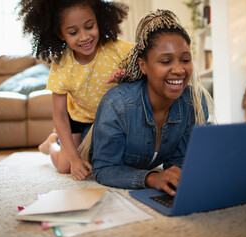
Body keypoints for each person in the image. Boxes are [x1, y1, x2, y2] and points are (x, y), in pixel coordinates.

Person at [90, 9, 215, 196]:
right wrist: (152, 178)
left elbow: (180, 162)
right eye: (166, 61)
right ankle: (51, 142)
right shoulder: (117, 105)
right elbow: (104, 169)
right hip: (87, 137)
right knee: (63, 161)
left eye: (185, 59)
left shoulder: (195, 103)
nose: (179, 69)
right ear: (143, 65)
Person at [18, 0, 133, 180]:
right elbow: (60, 115)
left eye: (89, 26)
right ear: (60, 34)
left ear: (99, 20)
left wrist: (128, 77)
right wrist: (74, 159)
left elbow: (146, 68)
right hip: (78, 119)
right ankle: (51, 144)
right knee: (64, 167)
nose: (84, 37)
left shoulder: (119, 50)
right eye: (73, 32)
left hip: (112, 120)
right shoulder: (62, 65)